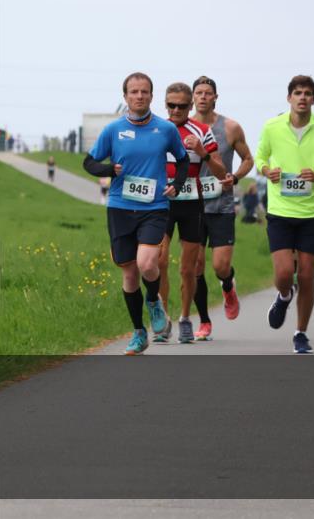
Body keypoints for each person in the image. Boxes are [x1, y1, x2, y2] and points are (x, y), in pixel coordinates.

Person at [84, 72, 190, 355]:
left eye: (144, 91)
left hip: (154, 208)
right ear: (126, 96)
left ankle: (153, 301)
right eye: (134, 92)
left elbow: (182, 161)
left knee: (147, 264)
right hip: (120, 207)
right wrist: (108, 170)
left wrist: (176, 186)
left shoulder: (165, 129)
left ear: (151, 96)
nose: (139, 96)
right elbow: (89, 162)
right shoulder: (113, 130)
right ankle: (138, 332)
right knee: (129, 273)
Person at [254, 75, 314, 354]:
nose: (302, 97)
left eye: (307, 93)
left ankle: (300, 333)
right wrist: (266, 170)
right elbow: (259, 159)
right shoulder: (272, 127)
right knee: (284, 273)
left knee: (306, 275)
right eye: (298, 93)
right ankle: (284, 295)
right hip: (281, 210)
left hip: (311, 212)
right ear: (289, 98)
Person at [155, 82, 227, 343]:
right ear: (165, 104)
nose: (176, 110)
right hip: (162, 203)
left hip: (191, 204)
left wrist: (201, 152)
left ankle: (186, 318)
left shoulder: (203, 131)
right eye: (171, 105)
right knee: (159, 262)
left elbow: (221, 173)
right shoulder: (157, 129)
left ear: (190, 105)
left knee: (188, 269)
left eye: (182, 106)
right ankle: (162, 320)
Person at [190, 76, 255, 338]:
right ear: (193, 97)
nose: (203, 97)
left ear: (216, 97)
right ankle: (204, 321)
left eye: (208, 93)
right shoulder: (182, 127)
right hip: (191, 205)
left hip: (221, 204)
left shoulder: (230, 127)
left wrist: (236, 177)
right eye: (199, 92)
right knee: (195, 267)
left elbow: (248, 159)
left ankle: (228, 286)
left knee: (219, 266)